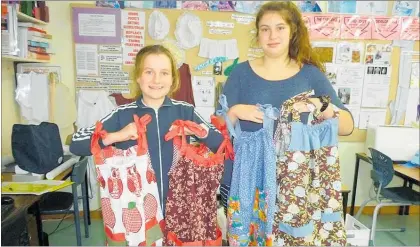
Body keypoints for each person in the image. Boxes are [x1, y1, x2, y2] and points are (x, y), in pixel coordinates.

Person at [217, 0, 354, 236]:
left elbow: (347, 126)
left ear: (292, 32)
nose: (272, 35)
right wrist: (235, 112)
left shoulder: (310, 76)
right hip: (250, 182)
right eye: (265, 28)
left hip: (296, 187)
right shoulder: (240, 73)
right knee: (249, 238)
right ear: (258, 34)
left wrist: (320, 105)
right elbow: (216, 133)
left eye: (280, 27)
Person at [70, 45, 224, 213]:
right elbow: (76, 143)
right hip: (137, 210)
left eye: (164, 73)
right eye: (149, 72)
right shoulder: (121, 114)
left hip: (180, 209)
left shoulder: (185, 111)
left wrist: (198, 131)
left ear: (172, 78)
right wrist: (116, 136)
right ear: (138, 76)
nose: (156, 80)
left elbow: (221, 144)